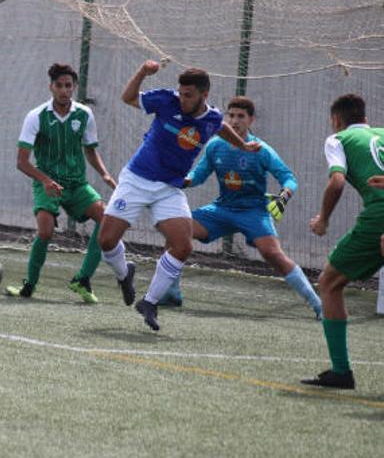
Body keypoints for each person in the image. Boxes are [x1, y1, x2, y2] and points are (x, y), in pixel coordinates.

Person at [97, 60, 261, 331]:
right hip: (137, 179)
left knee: (183, 246)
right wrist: (142, 72)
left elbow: (220, 126)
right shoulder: (166, 100)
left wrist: (243, 145)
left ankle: (149, 302)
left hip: (169, 188)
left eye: (189, 95)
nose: (183, 99)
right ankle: (124, 275)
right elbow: (127, 98)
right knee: (106, 240)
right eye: (181, 93)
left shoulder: (211, 118)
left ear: (204, 95)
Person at [159, 96, 322, 319]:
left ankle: (319, 306)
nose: (235, 121)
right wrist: (180, 180)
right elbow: (198, 175)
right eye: (231, 115)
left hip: (254, 212)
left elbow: (288, 177)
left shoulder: (261, 149)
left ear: (251, 120)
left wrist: (284, 195)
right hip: (222, 209)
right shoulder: (215, 145)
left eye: (241, 116)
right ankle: (172, 292)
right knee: (177, 232)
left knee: (273, 254)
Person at [5, 63, 116, 303]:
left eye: (69, 86)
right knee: (45, 231)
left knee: (106, 219)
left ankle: (82, 279)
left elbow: (90, 150)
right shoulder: (36, 116)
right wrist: (45, 180)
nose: (64, 90)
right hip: (47, 182)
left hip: (76, 184)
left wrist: (105, 174)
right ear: (51, 87)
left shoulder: (84, 114)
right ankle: (29, 285)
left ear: (75, 87)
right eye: (59, 85)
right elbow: (22, 162)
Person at [302, 93, 384, 389]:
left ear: (337, 120)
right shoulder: (383, 135)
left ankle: (341, 371)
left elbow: (336, 181)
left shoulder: (337, 140)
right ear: (365, 117)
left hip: (379, 217)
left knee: (330, 282)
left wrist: (323, 219)